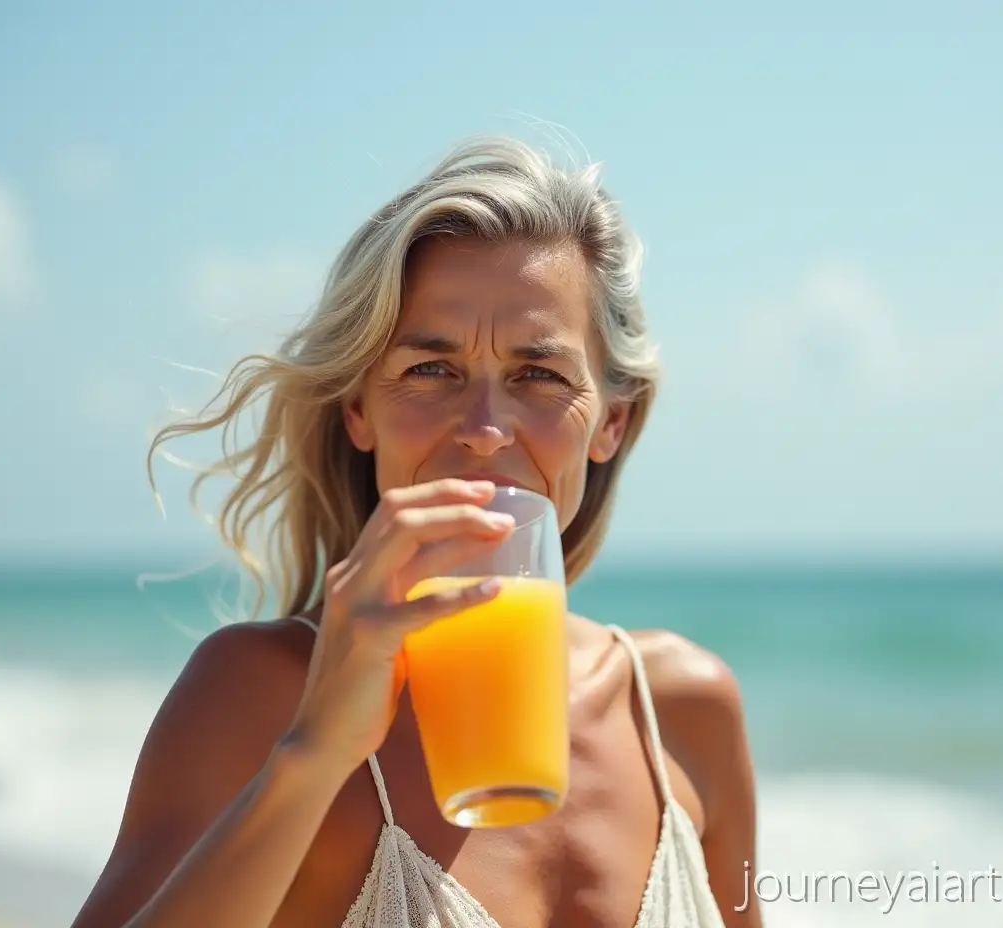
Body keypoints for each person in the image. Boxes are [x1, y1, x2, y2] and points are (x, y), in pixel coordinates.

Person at [70, 135, 760, 928]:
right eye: (431, 370)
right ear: (359, 409)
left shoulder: (684, 709)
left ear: (610, 421)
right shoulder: (256, 696)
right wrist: (314, 755)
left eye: (539, 375)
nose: (485, 430)